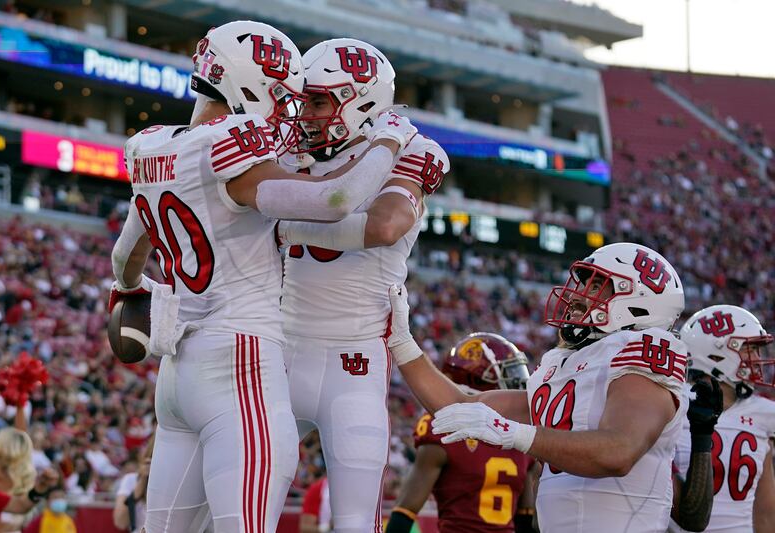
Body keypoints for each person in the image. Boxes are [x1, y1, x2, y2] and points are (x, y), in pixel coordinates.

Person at [108, 21, 415, 533]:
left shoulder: (151, 145)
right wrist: (388, 138)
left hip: (177, 376)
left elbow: (125, 254)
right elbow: (333, 201)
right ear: (246, 83)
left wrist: (130, 292)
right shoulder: (230, 142)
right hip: (240, 362)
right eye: (280, 90)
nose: (288, 103)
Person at [386, 243, 705, 532]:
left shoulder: (642, 355)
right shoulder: (567, 364)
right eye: (585, 283)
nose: (579, 295)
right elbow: (458, 404)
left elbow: (618, 452)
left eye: (598, 285)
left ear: (637, 302)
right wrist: (401, 341)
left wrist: (514, 434)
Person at [275, 38, 448, 533]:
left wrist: (283, 225)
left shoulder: (411, 150)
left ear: (363, 104)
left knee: (354, 521)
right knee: (246, 509)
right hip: (279, 349)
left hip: (355, 360)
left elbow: (387, 225)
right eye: (302, 99)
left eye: (318, 100)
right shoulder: (288, 148)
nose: (303, 113)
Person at [385, 333, 537, 533]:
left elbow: (526, 518)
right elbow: (405, 510)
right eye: (511, 375)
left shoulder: (519, 427)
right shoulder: (445, 424)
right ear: (478, 378)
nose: (519, 384)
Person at [670, 305, 775, 532]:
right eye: (750, 349)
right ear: (717, 354)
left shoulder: (763, 413)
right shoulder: (672, 402)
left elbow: (765, 508)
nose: (758, 358)